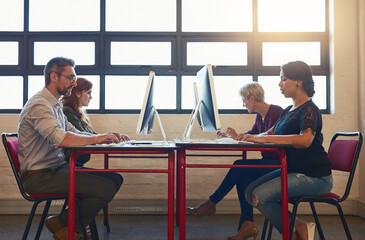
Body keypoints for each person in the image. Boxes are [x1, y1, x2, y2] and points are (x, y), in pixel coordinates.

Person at [18, 57, 126, 240]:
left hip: (55, 169)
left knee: (115, 179)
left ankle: (62, 223)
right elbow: (61, 139)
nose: (74, 83)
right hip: (40, 177)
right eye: (70, 78)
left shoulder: (55, 103)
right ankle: (67, 228)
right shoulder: (39, 105)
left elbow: (73, 131)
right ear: (54, 76)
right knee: (105, 188)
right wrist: (97, 138)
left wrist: (102, 139)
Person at [241, 61, 333, 240]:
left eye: (283, 79)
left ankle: (294, 232)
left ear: (298, 81)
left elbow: (305, 140)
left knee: (258, 195)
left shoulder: (309, 110)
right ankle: (299, 227)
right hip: (294, 171)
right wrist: (249, 137)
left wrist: (266, 138)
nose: (279, 84)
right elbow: (270, 132)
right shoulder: (289, 110)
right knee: (249, 191)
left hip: (315, 176)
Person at [186, 82, 284, 240]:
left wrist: (248, 137)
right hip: (268, 163)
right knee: (242, 176)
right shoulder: (261, 116)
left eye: (244, 101)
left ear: (252, 99)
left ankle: (211, 203)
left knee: (239, 165)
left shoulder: (277, 112)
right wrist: (234, 136)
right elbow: (253, 135)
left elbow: (273, 139)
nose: (244, 104)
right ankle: (248, 224)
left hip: (279, 165)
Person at [61, 77, 130, 167]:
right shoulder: (67, 111)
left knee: (114, 177)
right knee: (114, 178)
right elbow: (81, 135)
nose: (91, 97)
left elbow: (92, 134)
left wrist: (113, 137)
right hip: (71, 165)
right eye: (88, 93)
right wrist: (104, 138)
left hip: (76, 165)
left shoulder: (77, 113)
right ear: (77, 93)